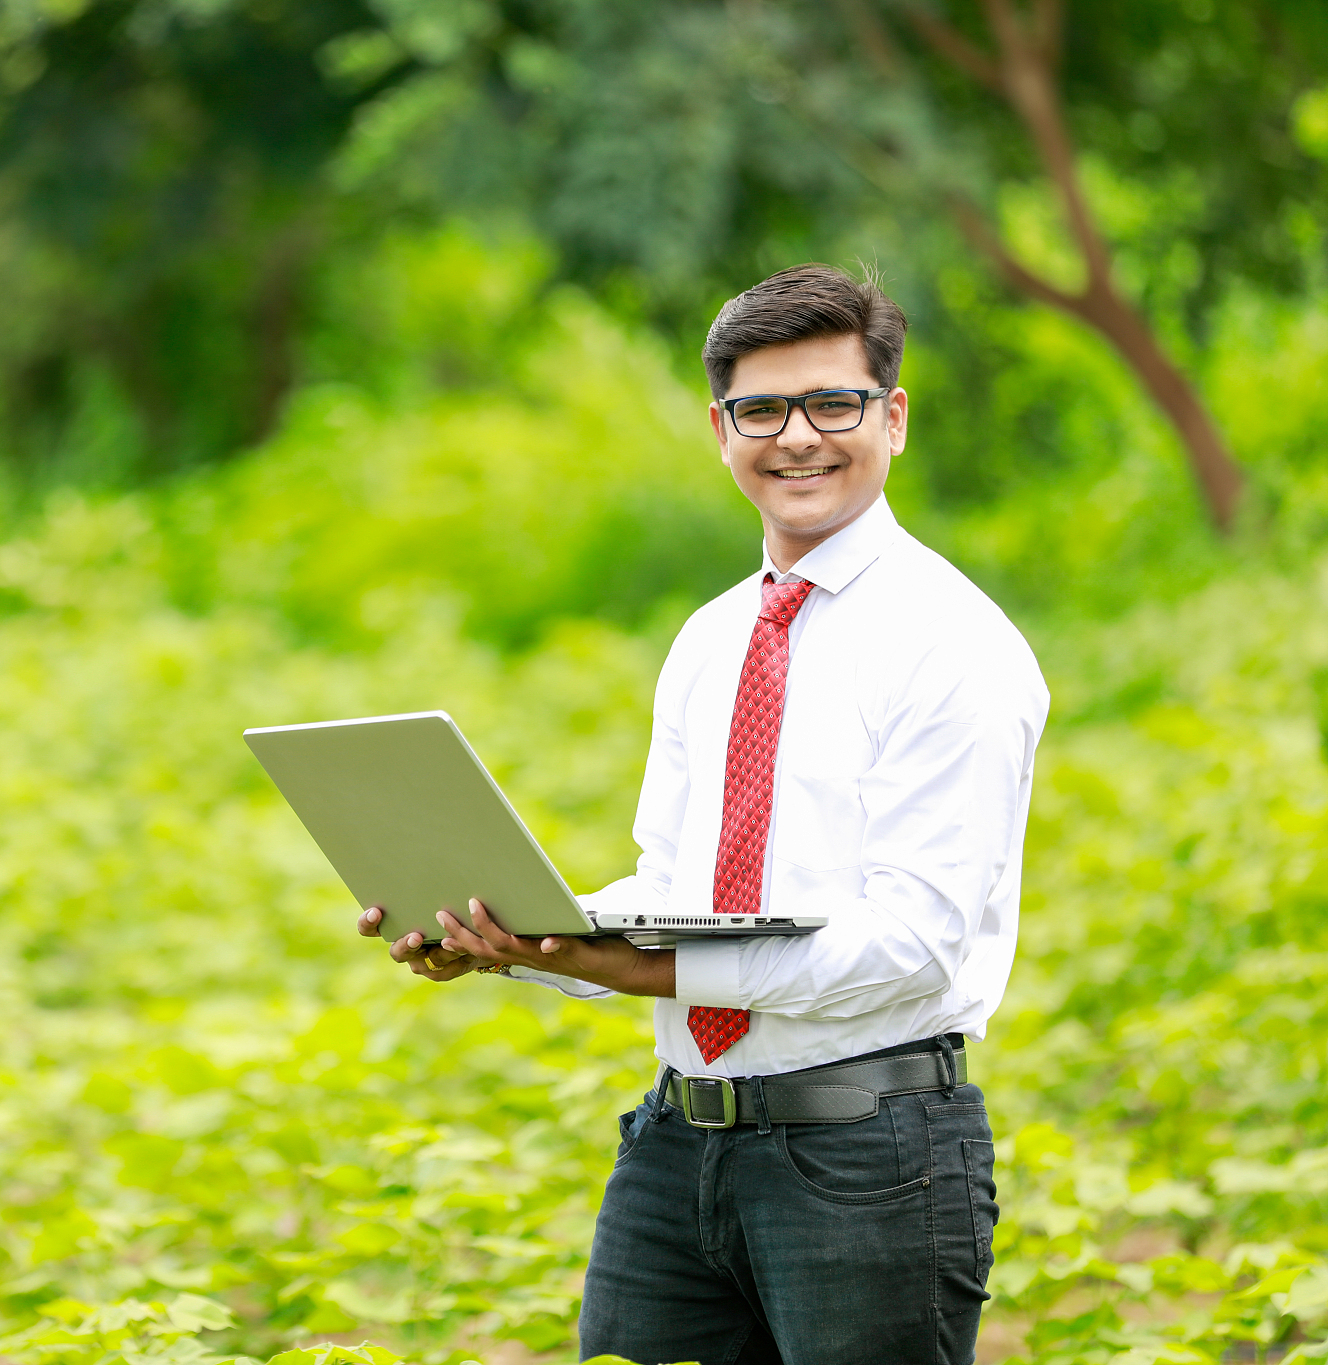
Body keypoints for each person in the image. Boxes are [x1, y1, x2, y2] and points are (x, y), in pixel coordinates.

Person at [359, 264, 1048, 1365]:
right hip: (677, 1145)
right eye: (760, 410)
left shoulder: (952, 648)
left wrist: (648, 971)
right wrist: (515, 936)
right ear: (720, 428)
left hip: (866, 1155)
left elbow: (912, 949)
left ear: (893, 417)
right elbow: (674, 890)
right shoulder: (710, 639)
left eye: (834, 403)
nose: (798, 439)